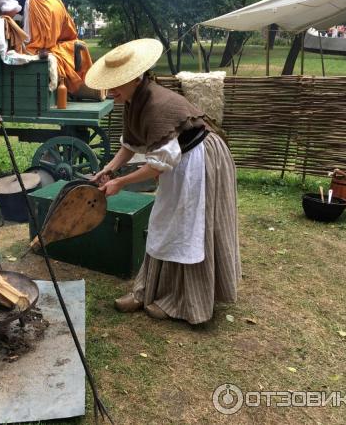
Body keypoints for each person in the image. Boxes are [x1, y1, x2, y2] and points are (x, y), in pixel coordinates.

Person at [85, 39, 241, 325]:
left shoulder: (156, 104)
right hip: (179, 161)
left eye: (116, 84)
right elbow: (130, 145)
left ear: (135, 78)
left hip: (200, 160)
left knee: (188, 227)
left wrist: (120, 183)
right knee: (163, 223)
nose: (111, 91)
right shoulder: (134, 100)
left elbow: (158, 165)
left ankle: (186, 302)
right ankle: (147, 290)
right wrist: (108, 170)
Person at [0, 0, 94, 96]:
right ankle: (71, 48)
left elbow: (11, 9)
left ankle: (61, 79)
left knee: (32, 52)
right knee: (61, 40)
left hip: (39, 7)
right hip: (51, 1)